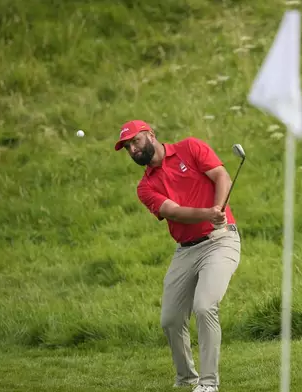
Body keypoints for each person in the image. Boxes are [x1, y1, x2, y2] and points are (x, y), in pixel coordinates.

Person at [114, 120, 241, 392]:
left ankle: (208, 384)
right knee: (170, 319)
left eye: (135, 142)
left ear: (150, 135)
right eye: (128, 148)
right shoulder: (145, 187)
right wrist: (208, 213)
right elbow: (172, 211)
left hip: (221, 240)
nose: (133, 150)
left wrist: (218, 208)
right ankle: (187, 378)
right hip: (185, 249)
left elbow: (222, 176)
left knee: (205, 306)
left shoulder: (190, 147)